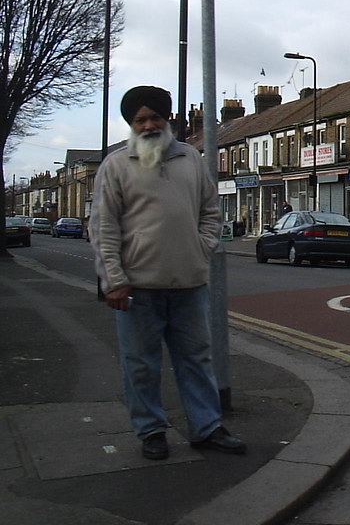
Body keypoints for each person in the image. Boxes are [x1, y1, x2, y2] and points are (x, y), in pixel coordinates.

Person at [92, 86, 246, 460]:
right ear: (131, 124)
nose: (147, 125)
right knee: (141, 366)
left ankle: (206, 427)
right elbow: (103, 228)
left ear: (168, 119)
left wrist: (201, 246)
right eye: (139, 119)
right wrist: (113, 280)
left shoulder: (191, 158)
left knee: (196, 360)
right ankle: (151, 431)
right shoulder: (116, 165)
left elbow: (210, 211)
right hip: (136, 288)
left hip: (189, 284)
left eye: (154, 117)